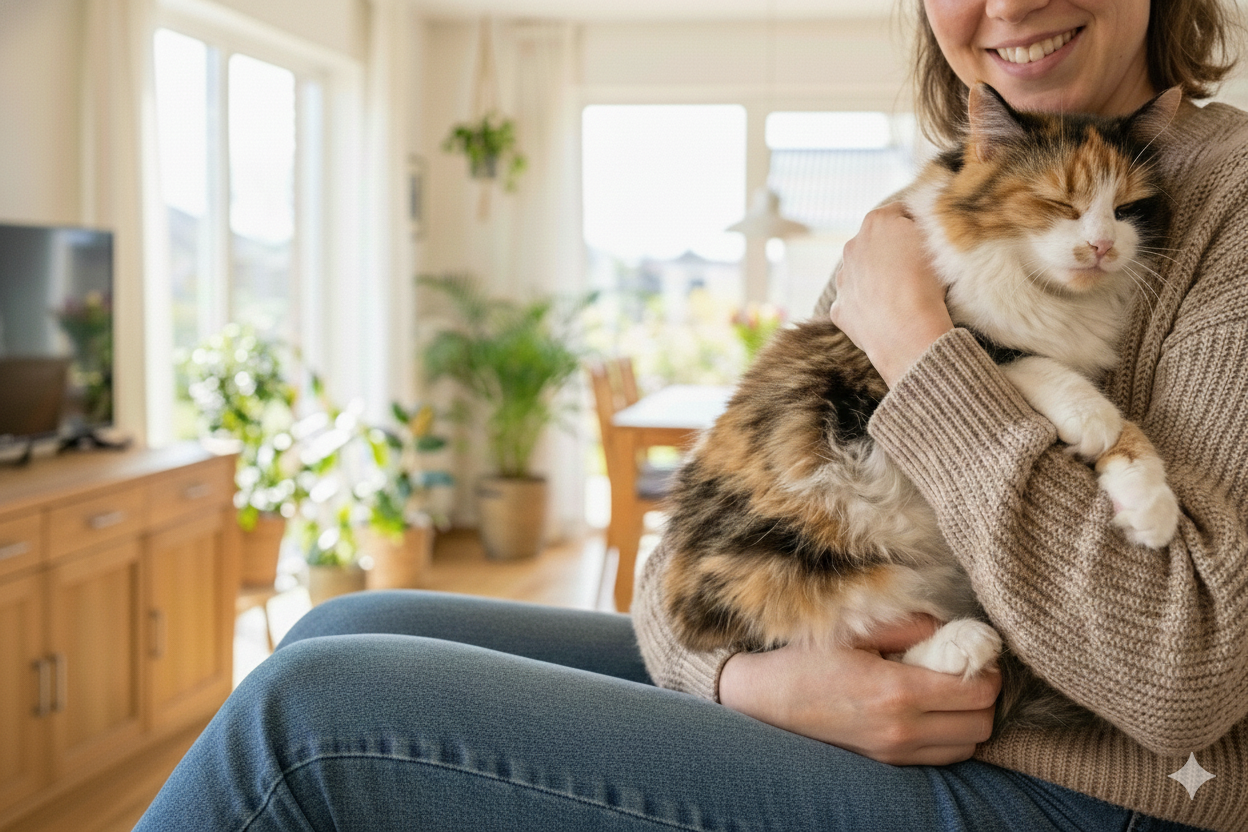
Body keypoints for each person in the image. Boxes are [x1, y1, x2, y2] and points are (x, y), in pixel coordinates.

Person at [135, 1, 1248, 830]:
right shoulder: (931, 210)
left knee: (309, 714)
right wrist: (749, 679)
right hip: (861, 681)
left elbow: (1185, 670)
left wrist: (919, 349)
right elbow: (683, 561)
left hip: (1088, 787)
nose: (1006, 2)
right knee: (342, 628)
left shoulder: (1226, 202)